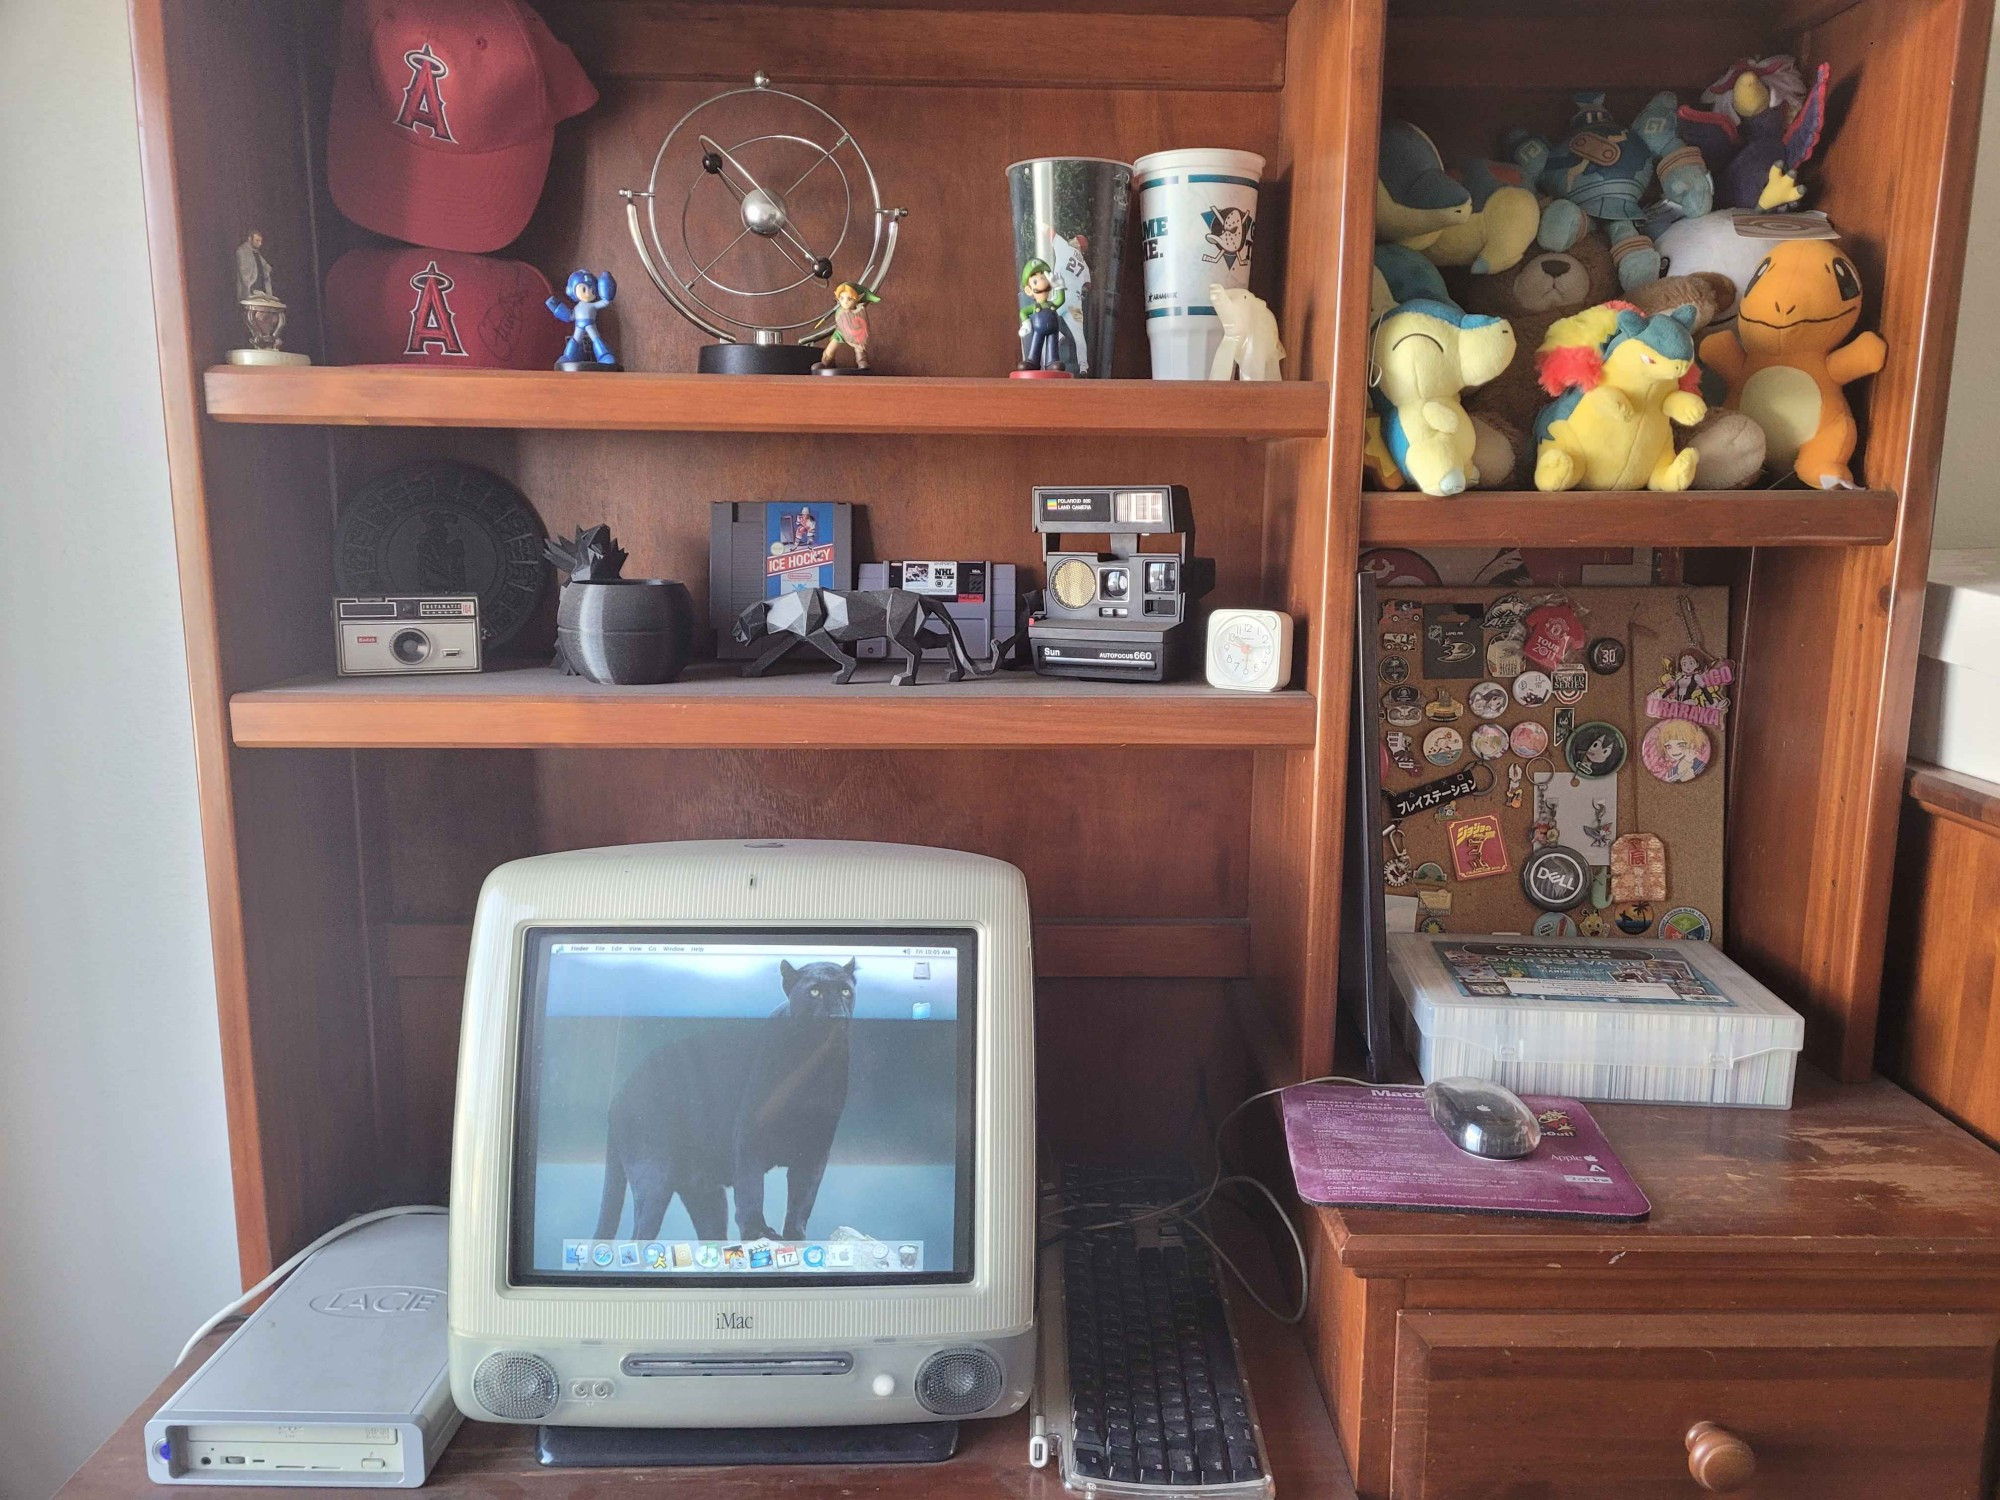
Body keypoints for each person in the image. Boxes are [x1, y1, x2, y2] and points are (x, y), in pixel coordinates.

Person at [1016, 258, 1067, 372]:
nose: (1041, 281)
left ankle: (1052, 362)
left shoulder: (1051, 304)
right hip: (1038, 331)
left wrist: (1059, 287)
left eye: (1044, 277)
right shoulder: (1035, 307)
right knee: (1036, 344)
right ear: (1029, 290)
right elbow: (1023, 312)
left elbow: (1060, 300)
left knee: (1052, 346)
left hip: (1053, 330)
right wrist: (1026, 324)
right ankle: (1033, 361)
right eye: (1035, 281)